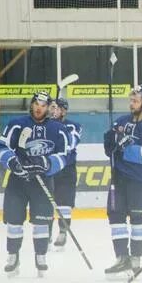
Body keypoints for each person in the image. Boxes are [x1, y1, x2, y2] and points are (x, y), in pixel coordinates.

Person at [0, 91, 69, 277]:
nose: (39, 108)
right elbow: (3, 146)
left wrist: (46, 164)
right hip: (18, 182)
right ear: (32, 104)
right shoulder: (17, 124)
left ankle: (41, 256)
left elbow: (63, 156)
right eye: (36, 103)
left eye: (43, 105)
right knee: (13, 221)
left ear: (48, 108)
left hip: (42, 181)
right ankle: (13, 256)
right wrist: (12, 162)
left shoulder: (57, 129)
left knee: (42, 222)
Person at [102, 85, 142, 278]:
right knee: (115, 216)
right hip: (118, 179)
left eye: (135, 100)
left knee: (138, 219)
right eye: (131, 99)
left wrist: (126, 146)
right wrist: (111, 139)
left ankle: (135, 259)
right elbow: (109, 149)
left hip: (140, 181)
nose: (131, 103)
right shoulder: (121, 121)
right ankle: (121, 258)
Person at [49, 97, 83, 248]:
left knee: (64, 203)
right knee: (47, 202)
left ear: (64, 110)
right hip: (49, 169)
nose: (52, 110)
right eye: (51, 108)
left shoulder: (73, 126)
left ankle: (63, 232)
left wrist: (56, 128)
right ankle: (47, 232)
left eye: (55, 108)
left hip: (67, 170)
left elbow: (70, 143)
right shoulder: (45, 125)